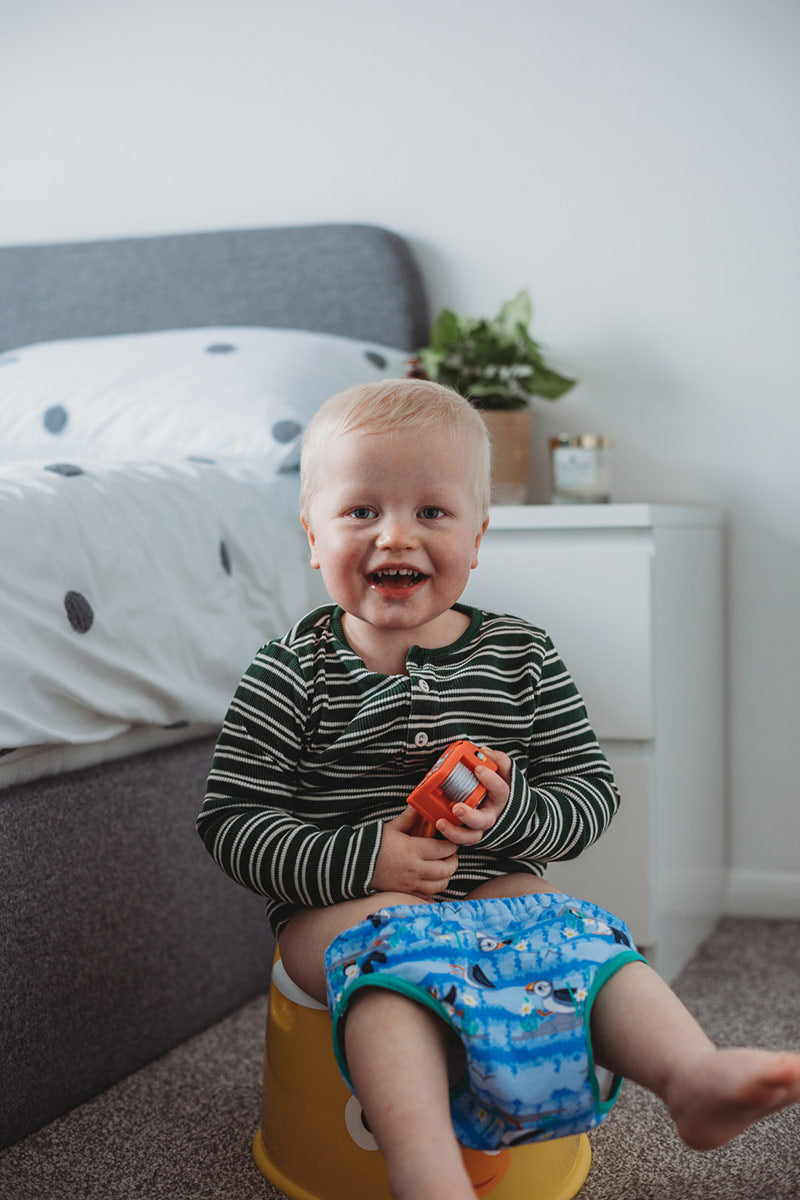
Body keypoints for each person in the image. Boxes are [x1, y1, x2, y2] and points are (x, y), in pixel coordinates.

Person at [198, 379, 800, 1200]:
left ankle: (690, 1077)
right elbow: (231, 821)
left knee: (580, 933)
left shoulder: (523, 658)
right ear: (312, 534)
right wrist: (364, 857)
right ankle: (424, 1168)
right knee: (397, 956)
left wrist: (510, 812)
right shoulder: (287, 673)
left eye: (432, 513)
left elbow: (590, 794)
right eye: (361, 511)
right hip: (341, 910)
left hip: (496, 892)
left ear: (478, 538)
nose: (395, 535)